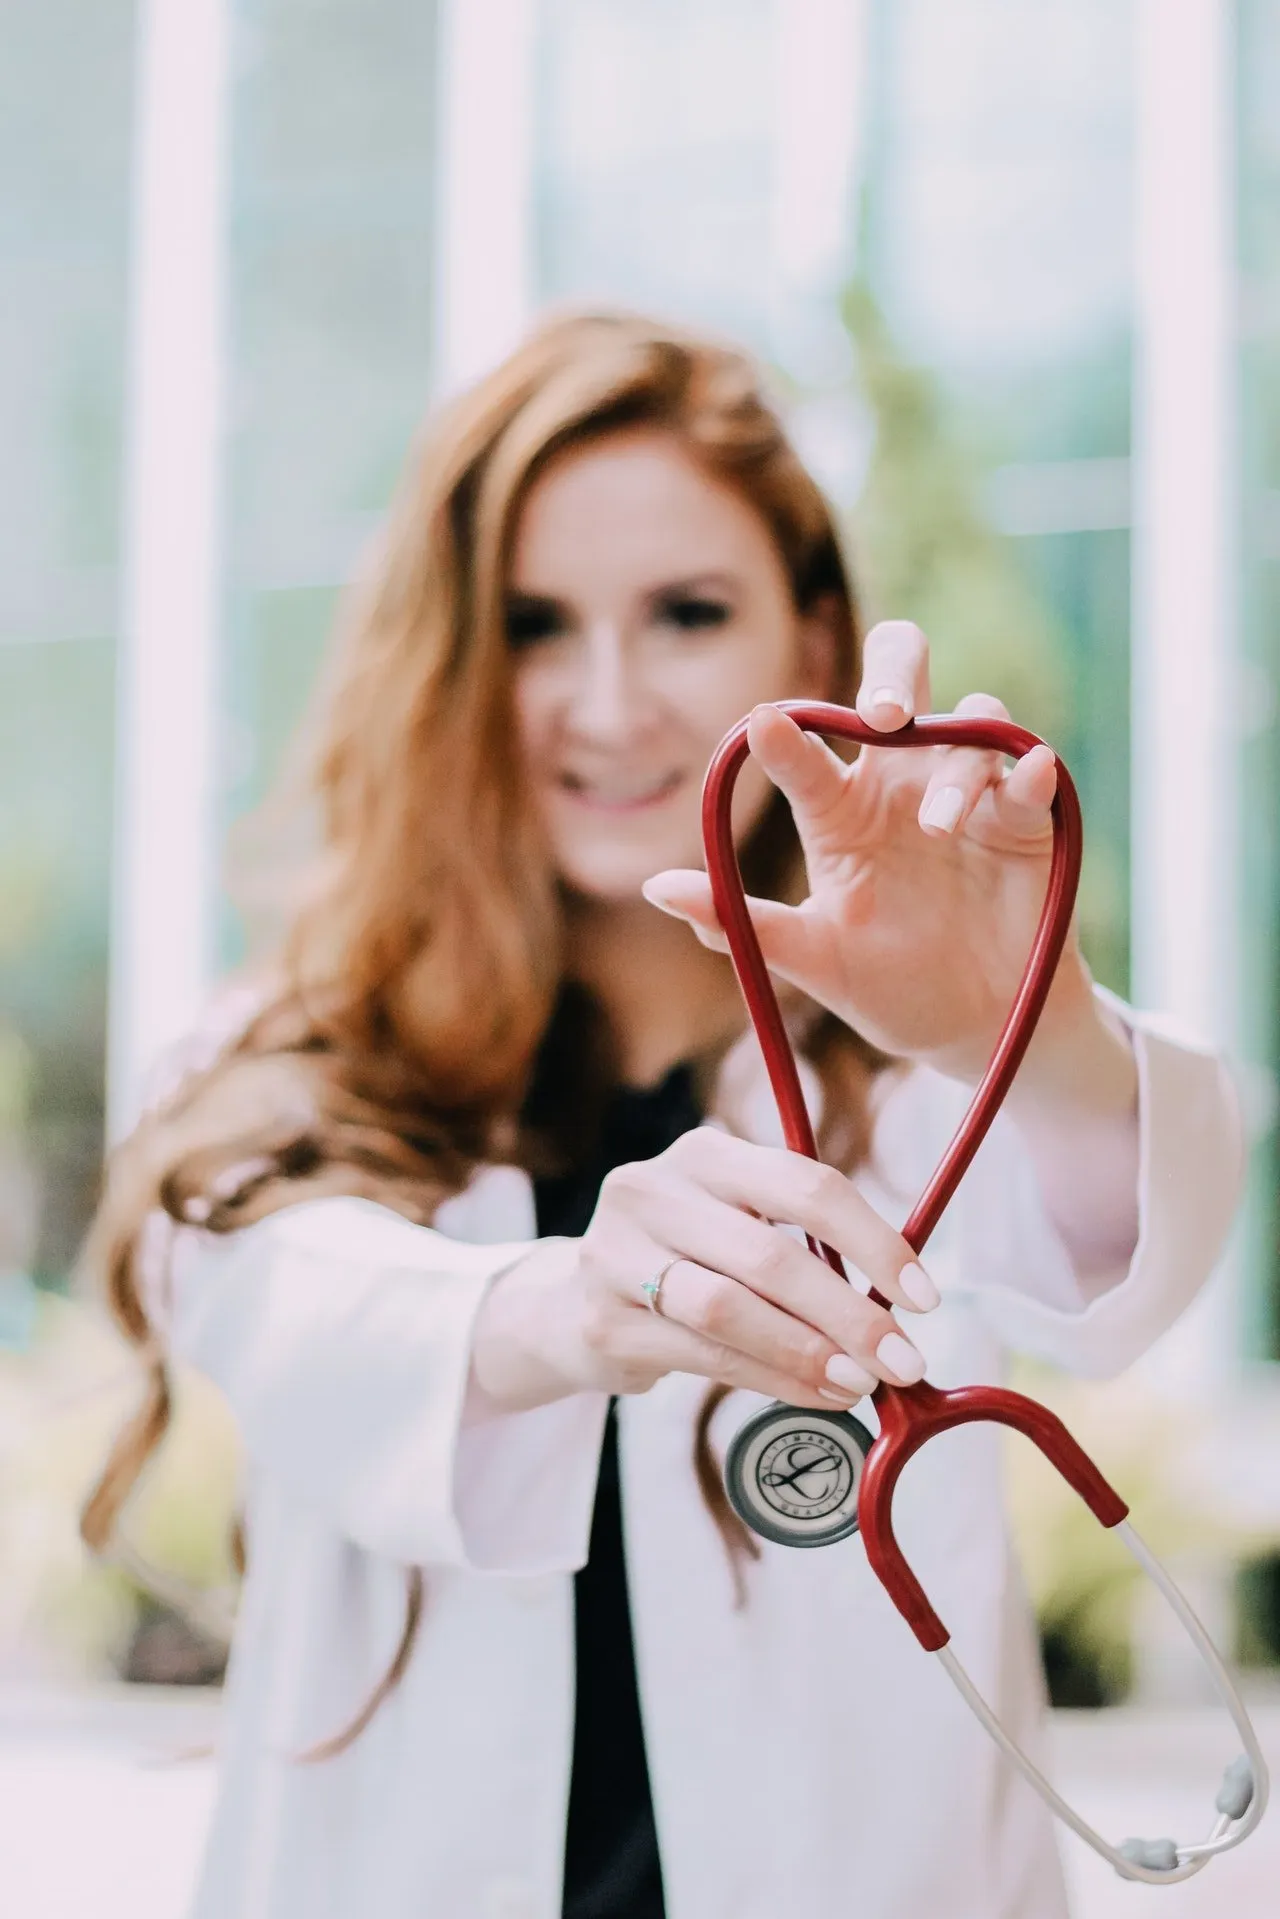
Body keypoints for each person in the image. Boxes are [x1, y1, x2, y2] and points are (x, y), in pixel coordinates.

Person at [85, 311, 1241, 1919]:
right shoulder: (279, 1072)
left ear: (812, 641)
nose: (609, 703)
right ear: (446, 662)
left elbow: (1135, 1246)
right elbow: (304, 1320)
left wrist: (1019, 1022)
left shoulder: (907, 1099)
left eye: (688, 614)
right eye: (535, 625)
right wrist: (576, 1300)